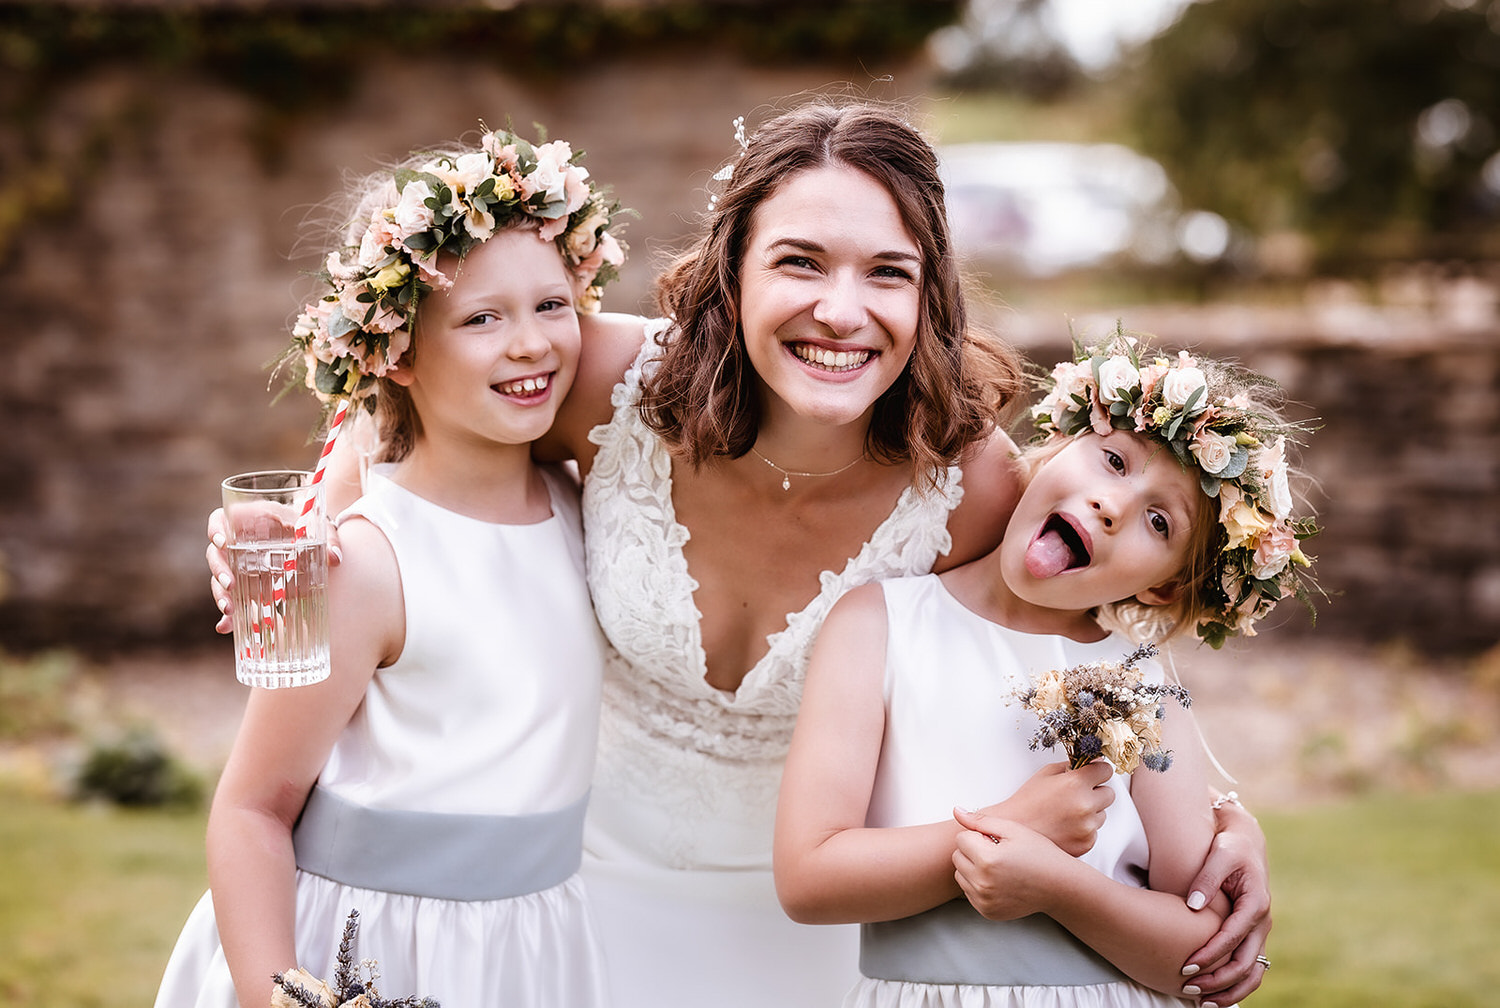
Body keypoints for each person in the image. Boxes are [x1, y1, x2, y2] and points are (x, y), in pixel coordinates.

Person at [207, 99, 1273, 1007]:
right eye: (799, 262)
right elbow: (397, 428)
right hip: (565, 907)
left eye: (886, 274)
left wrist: (1217, 813)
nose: (840, 311)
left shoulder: (978, 487)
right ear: (731, 269)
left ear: (927, 297)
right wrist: (290, 537)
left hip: (807, 937)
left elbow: (1090, 624)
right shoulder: (603, 385)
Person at [159, 126, 627, 1008]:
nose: (530, 344)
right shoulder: (368, 560)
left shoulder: (585, 506)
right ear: (398, 352)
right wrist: (278, 991)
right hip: (363, 947)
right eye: (482, 318)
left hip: (530, 947)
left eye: (552, 305)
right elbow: (252, 808)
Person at [774, 331, 1317, 1007]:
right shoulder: (879, 624)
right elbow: (807, 877)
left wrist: (1060, 885)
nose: (1111, 506)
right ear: (1060, 442)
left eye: (1158, 520)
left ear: (1164, 588)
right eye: (1114, 460)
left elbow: (1199, 947)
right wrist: (1013, 828)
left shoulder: (1143, 680)